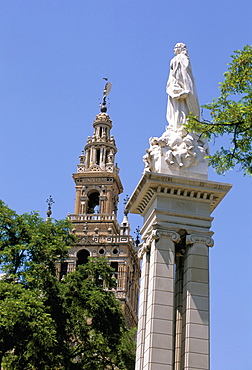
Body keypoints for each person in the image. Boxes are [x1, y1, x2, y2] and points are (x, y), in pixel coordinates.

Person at [166, 43, 200, 128]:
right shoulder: (175, 59)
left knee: (184, 105)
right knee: (177, 106)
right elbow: (172, 74)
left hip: (182, 84)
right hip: (175, 84)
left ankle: (185, 124)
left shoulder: (180, 58)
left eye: (176, 48)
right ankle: (178, 125)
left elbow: (186, 70)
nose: (174, 49)